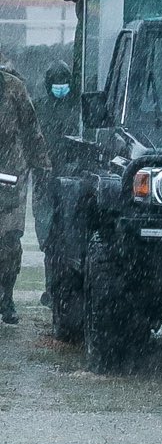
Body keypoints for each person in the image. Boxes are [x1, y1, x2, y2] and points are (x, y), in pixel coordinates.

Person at [0, 63, 53, 326]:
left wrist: (42, 165)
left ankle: (5, 296)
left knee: (9, 241)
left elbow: (32, 130)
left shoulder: (14, 89)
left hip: (10, 176)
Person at [32, 64, 76, 260]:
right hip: (45, 173)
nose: (60, 87)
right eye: (56, 83)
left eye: (64, 83)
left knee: (68, 224)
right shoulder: (38, 107)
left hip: (70, 173)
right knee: (44, 221)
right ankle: (49, 247)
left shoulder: (77, 106)